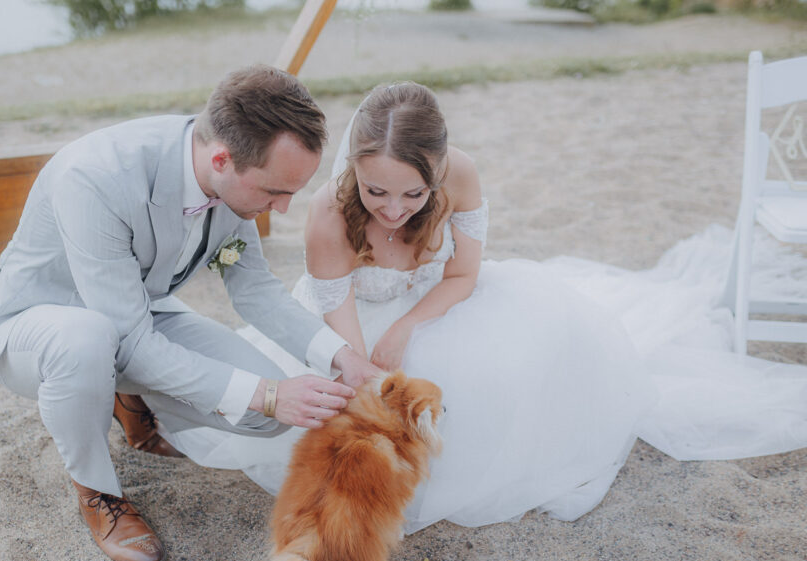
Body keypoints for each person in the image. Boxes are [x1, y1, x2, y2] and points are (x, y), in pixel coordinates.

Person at [180, 81, 807, 533]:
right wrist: (369, 369)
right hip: (349, 321)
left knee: (502, 379)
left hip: (443, 303)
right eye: (375, 192)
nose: (393, 211)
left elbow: (464, 275)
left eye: (412, 194)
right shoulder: (326, 214)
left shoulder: (463, 176)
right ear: (354, 172)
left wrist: (406, 327)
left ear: (437, 176)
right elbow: (339, 322)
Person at [0, 65, 379, 561]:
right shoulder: (94, 176)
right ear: (222, 159)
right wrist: (268, 391)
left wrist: (343, 358)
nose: (284, 209)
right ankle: (97, 493)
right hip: (40, 326)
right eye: (275, 192)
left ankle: (122, 396)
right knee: (90, 342)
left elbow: (256, 291)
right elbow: (128, 341)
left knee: (259, 418)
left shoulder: (232, 176)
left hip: (137, 311)